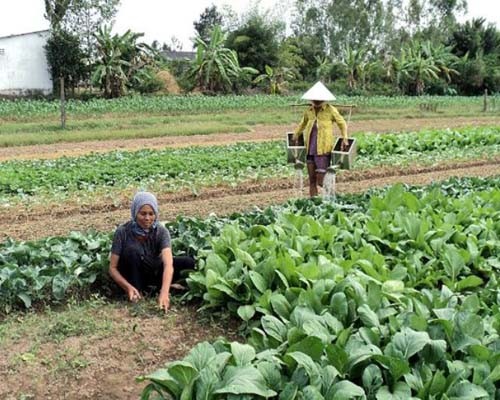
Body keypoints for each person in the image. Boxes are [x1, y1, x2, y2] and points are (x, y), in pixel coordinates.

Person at [108, 191, 194, 312]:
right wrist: (127, 287)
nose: (147, 218)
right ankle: (138, 291)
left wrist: (164, 293)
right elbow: (112, 268)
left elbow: (168, 264)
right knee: (133, 251)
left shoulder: (161, 231)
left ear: (156, 214)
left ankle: (159, 289)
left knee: (188, 262)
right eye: (143, 214)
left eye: (151, 214)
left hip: (154, 270)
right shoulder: (122, 232)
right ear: (135, 213)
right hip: (133, 273)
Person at [293, 81, 348, 197]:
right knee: (311, 180)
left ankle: (331, 196)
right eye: (314, 100)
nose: (316, 102)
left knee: (321, 180)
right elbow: (302, 124)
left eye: (319, 100)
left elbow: (342, 123)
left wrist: (345, 138)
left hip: (323, 150)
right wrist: (296, 135)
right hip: (310, 149)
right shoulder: (309, 111)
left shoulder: (330, 110)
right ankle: (313, 203)